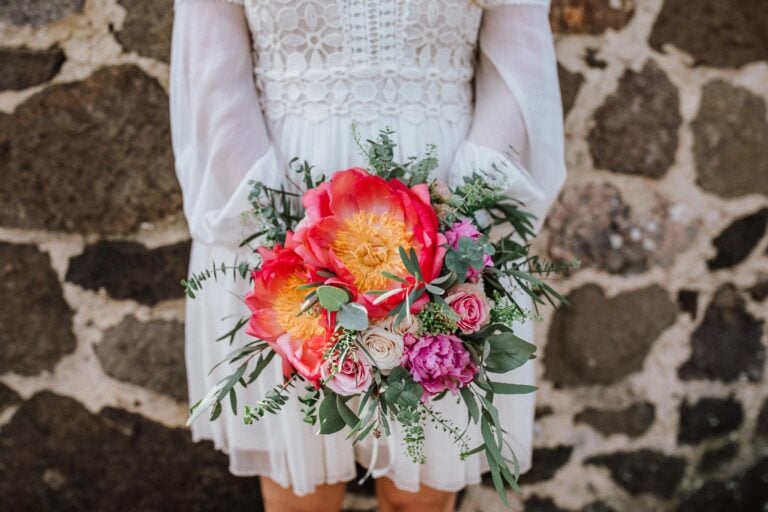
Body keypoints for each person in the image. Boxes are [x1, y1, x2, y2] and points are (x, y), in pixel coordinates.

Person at [169, 1, 566, 510]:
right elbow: (212, 78)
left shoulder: (452, 226)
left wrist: (454, 226)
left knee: (419, 499)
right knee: (299, 499)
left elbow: (519, 71)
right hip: (279, 210)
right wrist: (278, 231)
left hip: (445, 208)